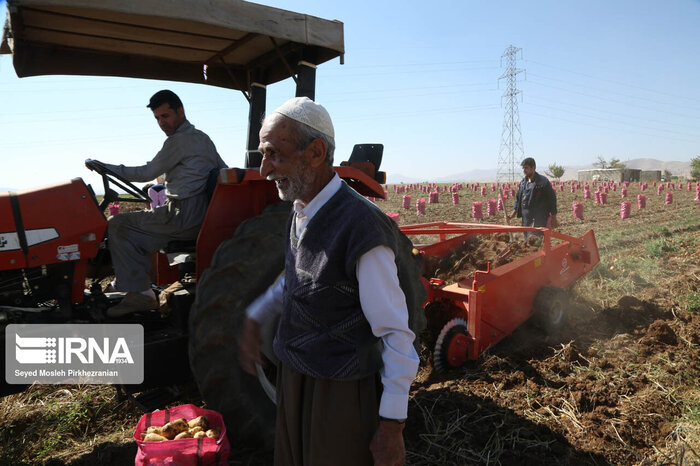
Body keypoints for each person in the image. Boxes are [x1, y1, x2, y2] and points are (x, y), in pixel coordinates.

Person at [237, 97, 419, 466]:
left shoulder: (361, 228)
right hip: (295, 380)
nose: (264, 168)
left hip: (339, 395)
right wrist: (256, 316)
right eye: (262, 154)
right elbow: (296, 279)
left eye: (274, 154)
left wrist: (391, 427)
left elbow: (396, 334)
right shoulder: (301, 209)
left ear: (316, 151)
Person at [87, 90, 227, 317]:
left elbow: (146, 172)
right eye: (157, 119)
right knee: (137, 224)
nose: (162, 123)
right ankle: (140, 289)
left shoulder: (180, 140)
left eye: (166, 116)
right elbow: (223, 169)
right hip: (199, 212)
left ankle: (140, 295)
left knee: (118, 224)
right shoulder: (202, 138)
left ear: (180, 111)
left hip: (183, 214)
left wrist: (105, 167)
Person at [507, 157, 559, 237]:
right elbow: (518, 200)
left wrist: (554, 217)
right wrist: (512, 215)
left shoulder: (543, 182)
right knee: (527, 242)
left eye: (526, 168)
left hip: (539, 219)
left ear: (533, 167)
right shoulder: (523, 183)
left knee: (536, 241)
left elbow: (552, 199)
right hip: (526, 220)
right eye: (523, 168)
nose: (524, 170)